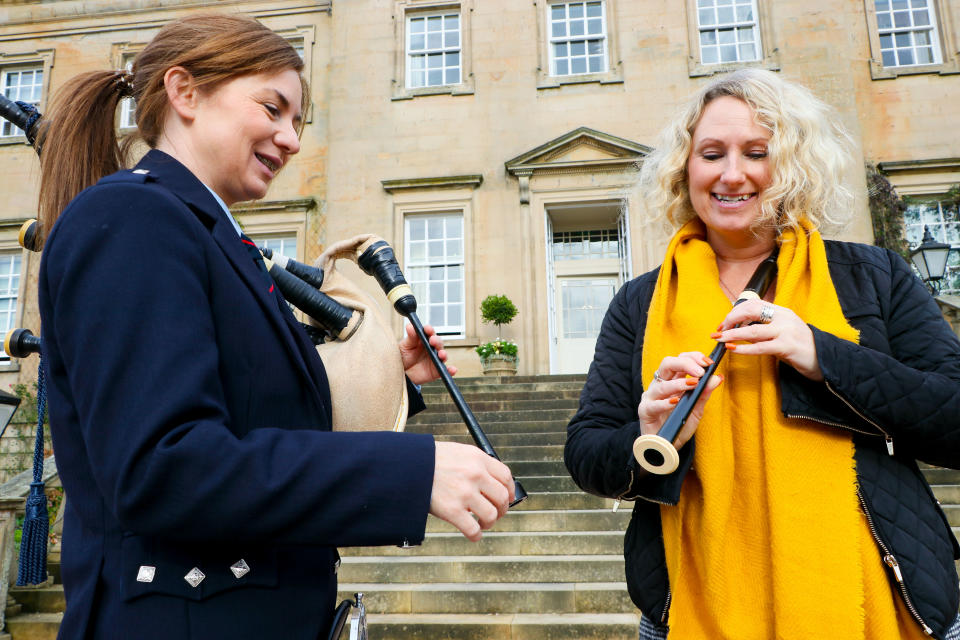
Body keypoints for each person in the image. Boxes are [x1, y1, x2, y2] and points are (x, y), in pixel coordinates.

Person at [34, 13, 514, 640]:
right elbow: (163, 467)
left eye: (298, 121)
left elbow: (258, 420)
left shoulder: (204, 232)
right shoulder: (134, 217)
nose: (290, 139)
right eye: (272, 107)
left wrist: (390, 378)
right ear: (184, 92)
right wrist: (410, 471)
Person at [564, 68, 960, 640]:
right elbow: (586, 451)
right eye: (711, 153)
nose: (732, 174)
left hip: (882, 603)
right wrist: (648, 432)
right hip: (694, 603)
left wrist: (823, 355)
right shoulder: (639, 302)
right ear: (686, 169)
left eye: (757, 152)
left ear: (791, 164)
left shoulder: (873, 276)